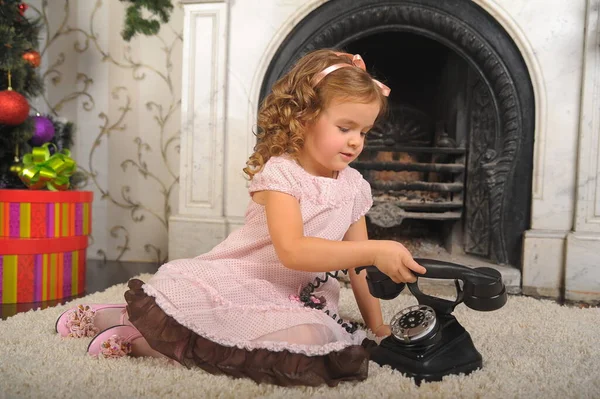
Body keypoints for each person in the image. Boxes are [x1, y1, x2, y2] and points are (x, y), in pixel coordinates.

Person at [55, 49, 426, 387]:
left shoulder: (354, 187)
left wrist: (376, 323)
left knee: (314, 341)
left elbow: (358, 263)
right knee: (192, 299)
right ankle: (128, 330)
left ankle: (152, 330)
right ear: (304, 117)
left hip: (299, 298)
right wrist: (378, 249)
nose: (355, 141)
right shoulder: (282, 174)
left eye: (363, 131)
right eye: (344, 128)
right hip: (248, 277)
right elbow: (293, 252)